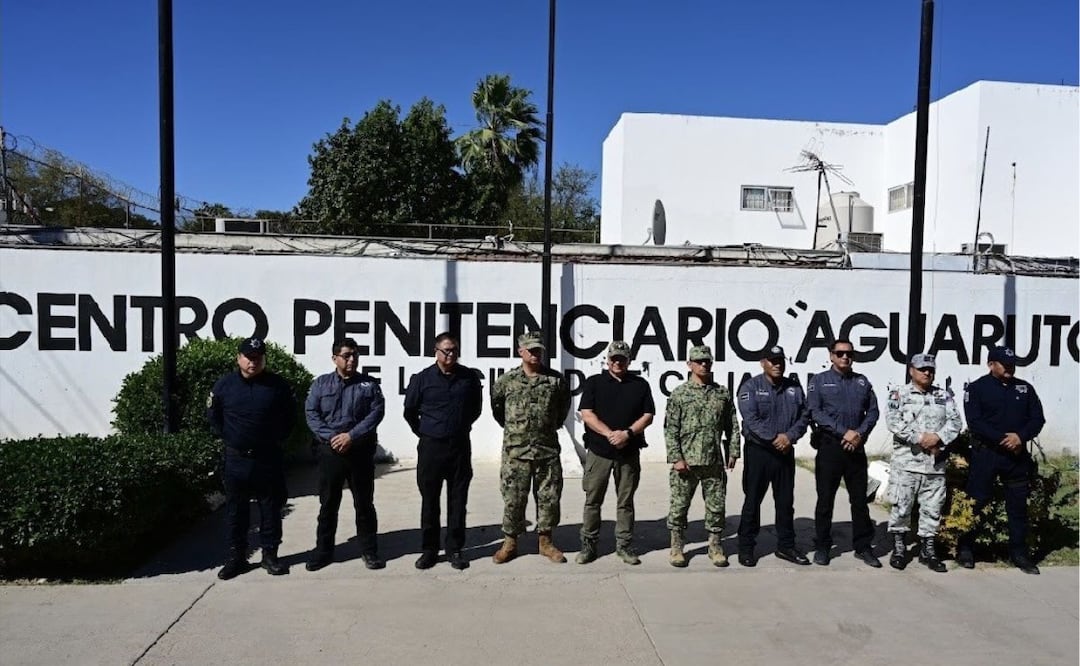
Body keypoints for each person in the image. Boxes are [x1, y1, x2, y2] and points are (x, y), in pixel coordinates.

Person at [206, 337, 297, 580]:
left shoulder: (278, 386)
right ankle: (237, 558)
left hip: (268, 459)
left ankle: (270, 555)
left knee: (270, 508)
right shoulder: (224, 385)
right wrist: (230, 438)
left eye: (258, 358)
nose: (253, 362)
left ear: (263, 359)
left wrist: (276, 440)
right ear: (239, 358)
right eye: (248, 357)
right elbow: (213, 416)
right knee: (236, 511)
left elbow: (290, 418)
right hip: (236, 461)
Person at [958, 346, 1045, 575]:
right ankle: (966, 547)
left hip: (1016, 456)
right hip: (987, 455)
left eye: (1012, 364)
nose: (1009, 368)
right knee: (976, 501)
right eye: (1004, 364)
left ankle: (1019, 553)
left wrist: (1020, 437)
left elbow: (1037, 419)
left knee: (1017, 507)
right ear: (991, 365)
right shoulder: (977, 388)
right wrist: (1001, 439)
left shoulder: (1025, 389)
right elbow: (975, 422)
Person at [304, 337, 386, 572]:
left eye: (355, 355)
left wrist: (351, 436)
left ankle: (369, 551)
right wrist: (332, 437)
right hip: (330, 452)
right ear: (334, 358)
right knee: (328, 503)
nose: (352, 360)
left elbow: (376, 413)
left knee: (364, 504)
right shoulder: (320, 384)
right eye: (347, 355)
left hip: (359, 451)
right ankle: (323, 551)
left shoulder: (369, 385)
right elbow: (311, 413)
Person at [490, 331, 572, 564]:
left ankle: (545, 542)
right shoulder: (506, 382)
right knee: (513, 499)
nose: (535, 354)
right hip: (516, 453)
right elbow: (498, 411)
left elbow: (561, 412)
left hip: (546, 451)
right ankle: (510, 542)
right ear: (520, 352)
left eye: (539, 350)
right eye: (531, 350)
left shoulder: (556, 381)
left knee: (549, 498)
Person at [403, 332, 483, 570]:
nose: (450, 355)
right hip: (431, 448)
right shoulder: (422, 379)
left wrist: (460, 426)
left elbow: (475, 409)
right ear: (436, 352)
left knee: (458, 501)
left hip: (459, 447)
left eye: (454, 350)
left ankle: (455, 549)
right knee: (430, 500)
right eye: (446, 350)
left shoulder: (468, 377)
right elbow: (409, 411)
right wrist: (426, 432)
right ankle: (429, 550)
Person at [577, 341, 656, 565]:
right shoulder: (594, 383)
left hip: (628, 453)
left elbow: (648, 415)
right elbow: (587, 414)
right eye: (614, 358)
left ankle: (624, 545)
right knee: (592, 500)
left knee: (625, 502)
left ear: (629, 360)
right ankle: (589, 545)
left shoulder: (640, 385)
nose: (617, 362)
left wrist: (628, 434)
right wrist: (610, 434)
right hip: (599, 452)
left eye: (622, 358)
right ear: (607, 359)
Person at [884, 353, 962, 572]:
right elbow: (893, 422)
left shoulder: (942, 396)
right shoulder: (898, 394)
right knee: (902, 508)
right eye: (922, 369)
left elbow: (956, 422)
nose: (927, 372)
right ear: (911, 370)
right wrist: (921, 438)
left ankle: (928, 551)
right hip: (906, 465)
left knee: (932, 510)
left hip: (934, 466)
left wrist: (938, 438)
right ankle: (899, 549)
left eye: (930, 369)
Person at [807, 339, 881, 567]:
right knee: (825, 501)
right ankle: (822, 546)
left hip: (856, 449)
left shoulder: (862, 382)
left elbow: (873, 412)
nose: (845, 357)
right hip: (830, 447)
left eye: (849, 354)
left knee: (859, 501)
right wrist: (844, 433)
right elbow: (815, 411)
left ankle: (863, 546)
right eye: (840, 353)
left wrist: (858, 434)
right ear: (831, 356)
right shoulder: (819, 381)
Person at [664, 345, 740, 568]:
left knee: (716, 506)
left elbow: (732, 424)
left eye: (707, 361)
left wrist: (733, 450)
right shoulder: (680, 394)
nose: (703, 364)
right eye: (698, 361)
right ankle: (677, 546)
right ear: (689, 364)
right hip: (686, 462)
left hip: (713, 460)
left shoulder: (721, 393)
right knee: (679, 506)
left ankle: (715, 546)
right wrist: (676, 457)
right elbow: (670, 428)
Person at [735, 345, 811, 567]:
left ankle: (786, 546)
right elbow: (751, 419)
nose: (777, 365)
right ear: (762, 362)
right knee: (752, 502)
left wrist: (789, 437)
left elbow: (805, 416)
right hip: (759, 452)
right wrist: (775, 439)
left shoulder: (794, 388)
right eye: (772, 361)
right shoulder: (750, 387)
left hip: (785, 452)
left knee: (786, 503)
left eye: (780, 361)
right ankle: (746, 548)